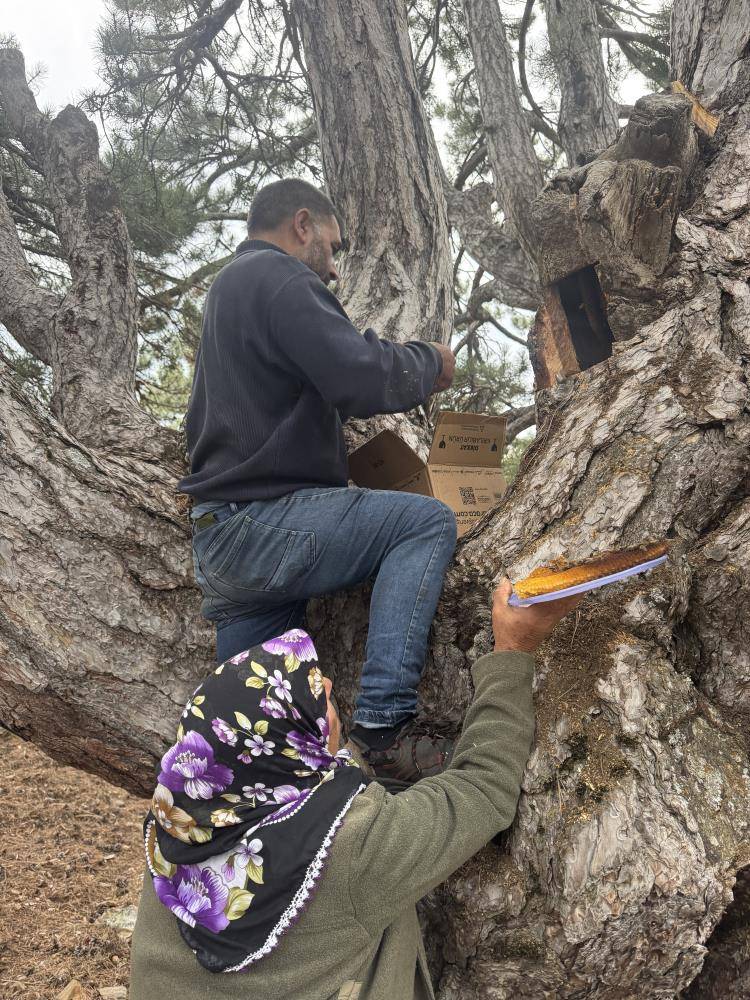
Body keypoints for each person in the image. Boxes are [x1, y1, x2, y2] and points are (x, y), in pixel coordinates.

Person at [129, 580, 580, 1000]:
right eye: (314, 696)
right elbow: (483, 789)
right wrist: (513, 650)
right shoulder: (351, 849)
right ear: (298, 752)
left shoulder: (178, 816)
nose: (327, 683)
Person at [177, 177, 457, 785]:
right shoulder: (276, 276)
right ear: (301, 225)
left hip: (222, 541)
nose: (333, 269)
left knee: (260, 746)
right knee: (424, 523)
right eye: (332, 247)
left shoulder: (228, 294)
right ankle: (383, 729)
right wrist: (429, 361)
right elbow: (357, 375)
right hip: (263, 522)